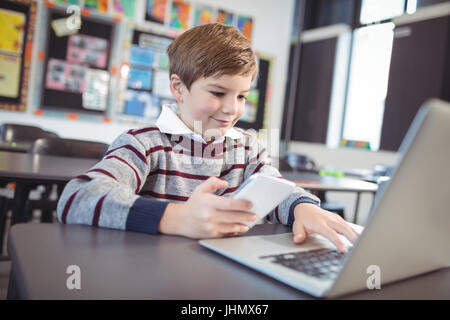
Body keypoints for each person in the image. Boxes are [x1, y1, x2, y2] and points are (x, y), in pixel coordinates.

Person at [57, 23, 358, 253]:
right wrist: (177, 218)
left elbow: (278, 189)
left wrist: (302, 207)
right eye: (217, 92)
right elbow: (76, 198)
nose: (232, 109)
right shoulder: (144, 143)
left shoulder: (249, 148)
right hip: (152, 274)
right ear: (178, 88)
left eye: (241, 95)